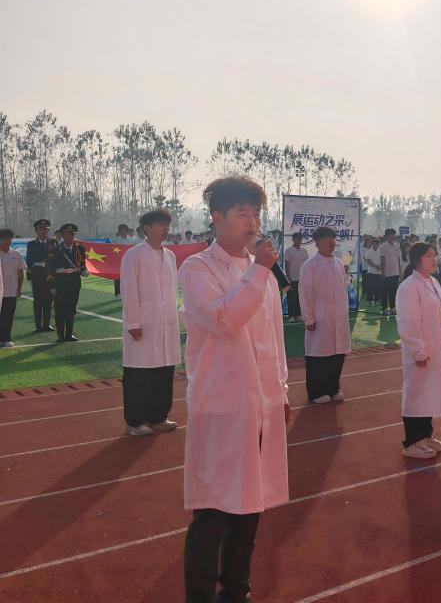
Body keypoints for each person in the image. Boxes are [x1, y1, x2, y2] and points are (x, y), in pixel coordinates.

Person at [180, 176, 289, 603]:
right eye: (242, 213)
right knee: (212, 512)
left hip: (259, 406)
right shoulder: (198, 269)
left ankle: (236, 591)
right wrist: (260, 269)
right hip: (221, 405)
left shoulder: (260, 273)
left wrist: (281, 392)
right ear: (217, 218)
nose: (252, 222)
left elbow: (274, 339)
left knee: (249, 507)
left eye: (255, 213)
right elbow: (226, 319)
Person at [120, 208, 181, 437]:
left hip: (166, 323)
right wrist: (133, 322)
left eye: (167, 224)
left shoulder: (170, 256)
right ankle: (136, 421)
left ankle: (158, 416)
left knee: (164, 370)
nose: (166, 229)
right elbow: (129, 290)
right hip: (144, 324)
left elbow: (172, 290)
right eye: (161, 224)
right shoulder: (134, 255)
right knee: (139, 373)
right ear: (147, 228)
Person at [396, 242, 441, 459]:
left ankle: (426, 436)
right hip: (420, 351)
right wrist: (419, 350)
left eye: (435, 255)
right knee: (416, 395)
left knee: (428, 394)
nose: (434, 259)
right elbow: (408, 323)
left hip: (436, 349)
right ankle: (412, 442)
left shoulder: (433, 282)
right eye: (429, 256)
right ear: (417, 259)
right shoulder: (409, 287)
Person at [298, 226, 351, 404]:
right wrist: (309, 318)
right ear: (317, 242)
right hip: (320, 318)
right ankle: (316, 392)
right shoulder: (310, 266)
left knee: (337, 355)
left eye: (333, 238)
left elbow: (344, 289)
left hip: (339, 319)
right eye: (328, 239)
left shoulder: (338, 263)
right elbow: (305, 293)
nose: (332, 242)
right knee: (318, 356)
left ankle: (333, 388)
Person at [47, 223, 89, 343]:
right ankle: (60, 336)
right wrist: (52, 286)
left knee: (71, 310)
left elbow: (82, 264)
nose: (70, 237)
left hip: (74, 284)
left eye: (72, 234)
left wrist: (84, 270)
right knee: (60, 310)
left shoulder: (80, 249)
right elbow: (50, 269)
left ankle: (69, 334)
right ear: (62, 235)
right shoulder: (55, 250)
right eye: (67, 234)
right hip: (60, 284)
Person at [25, 218, 55, 333]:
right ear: (36, 231)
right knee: (37, 302)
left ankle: (46, 325)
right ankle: (38, 326)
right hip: (37, 277)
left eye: (46, 229)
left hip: (50, 277)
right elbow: (29, 262)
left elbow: (56, 259)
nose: (43, 231)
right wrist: (30, 278)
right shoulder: (31, 244)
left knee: (48, 301)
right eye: (41, 229)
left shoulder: (53, 242)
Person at [0, 229, 27, 348]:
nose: (7, 241)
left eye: (10, 238)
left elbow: (20, 273)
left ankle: (6, 338)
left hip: (11, 291)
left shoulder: (16, 254)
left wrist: (19, 289)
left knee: (8, 316)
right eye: (4, 238)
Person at [283, 232, 308, 323]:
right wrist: (288, 276)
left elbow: (306, 264)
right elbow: (287, 264)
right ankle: (291, 316)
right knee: (291, 297)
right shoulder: (288, 250)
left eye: (300, 239)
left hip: (302, 278)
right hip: (292, 278)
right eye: (297, 239)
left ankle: (298, 315)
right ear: (293, 240)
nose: (299, 241)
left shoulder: (304, 251)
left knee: (299, 297)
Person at [379, 229, 402, 316]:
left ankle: (393, 308)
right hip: (387, 273)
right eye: (391, 235)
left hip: (395, 273)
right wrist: (382, 272)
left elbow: (398, 260)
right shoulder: (383, 247)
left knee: (393, 291)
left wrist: (400, 273)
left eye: (394, 235)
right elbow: (382, 260)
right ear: (386, 236)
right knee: (385, 292)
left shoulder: (397, 246)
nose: (393, 236)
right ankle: (384, 308)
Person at [111, 223, 138, 298]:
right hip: (118, 261)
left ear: (127, 230)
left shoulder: (132, 240)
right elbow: (112, 250)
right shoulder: (115, 240)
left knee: (129, 277)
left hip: (129, 261)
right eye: (121, 230)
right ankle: (118, 293)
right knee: (117, 277)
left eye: (124, 229)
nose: (123, 231)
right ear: (119, 231)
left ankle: (128, 292)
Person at [364, 236, 381, 306]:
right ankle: (369, 300)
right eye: (375, 243)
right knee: (370, 287)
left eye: (377, 243)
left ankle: (377, 300)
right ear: (372, 244)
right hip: (371, 272)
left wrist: (379, 266)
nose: (376, 244)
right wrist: (376, 266)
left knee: (378, 287)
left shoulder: (379, 251)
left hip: (378, 272)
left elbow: (381, 260)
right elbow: (368, 261)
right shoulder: (369, 251)